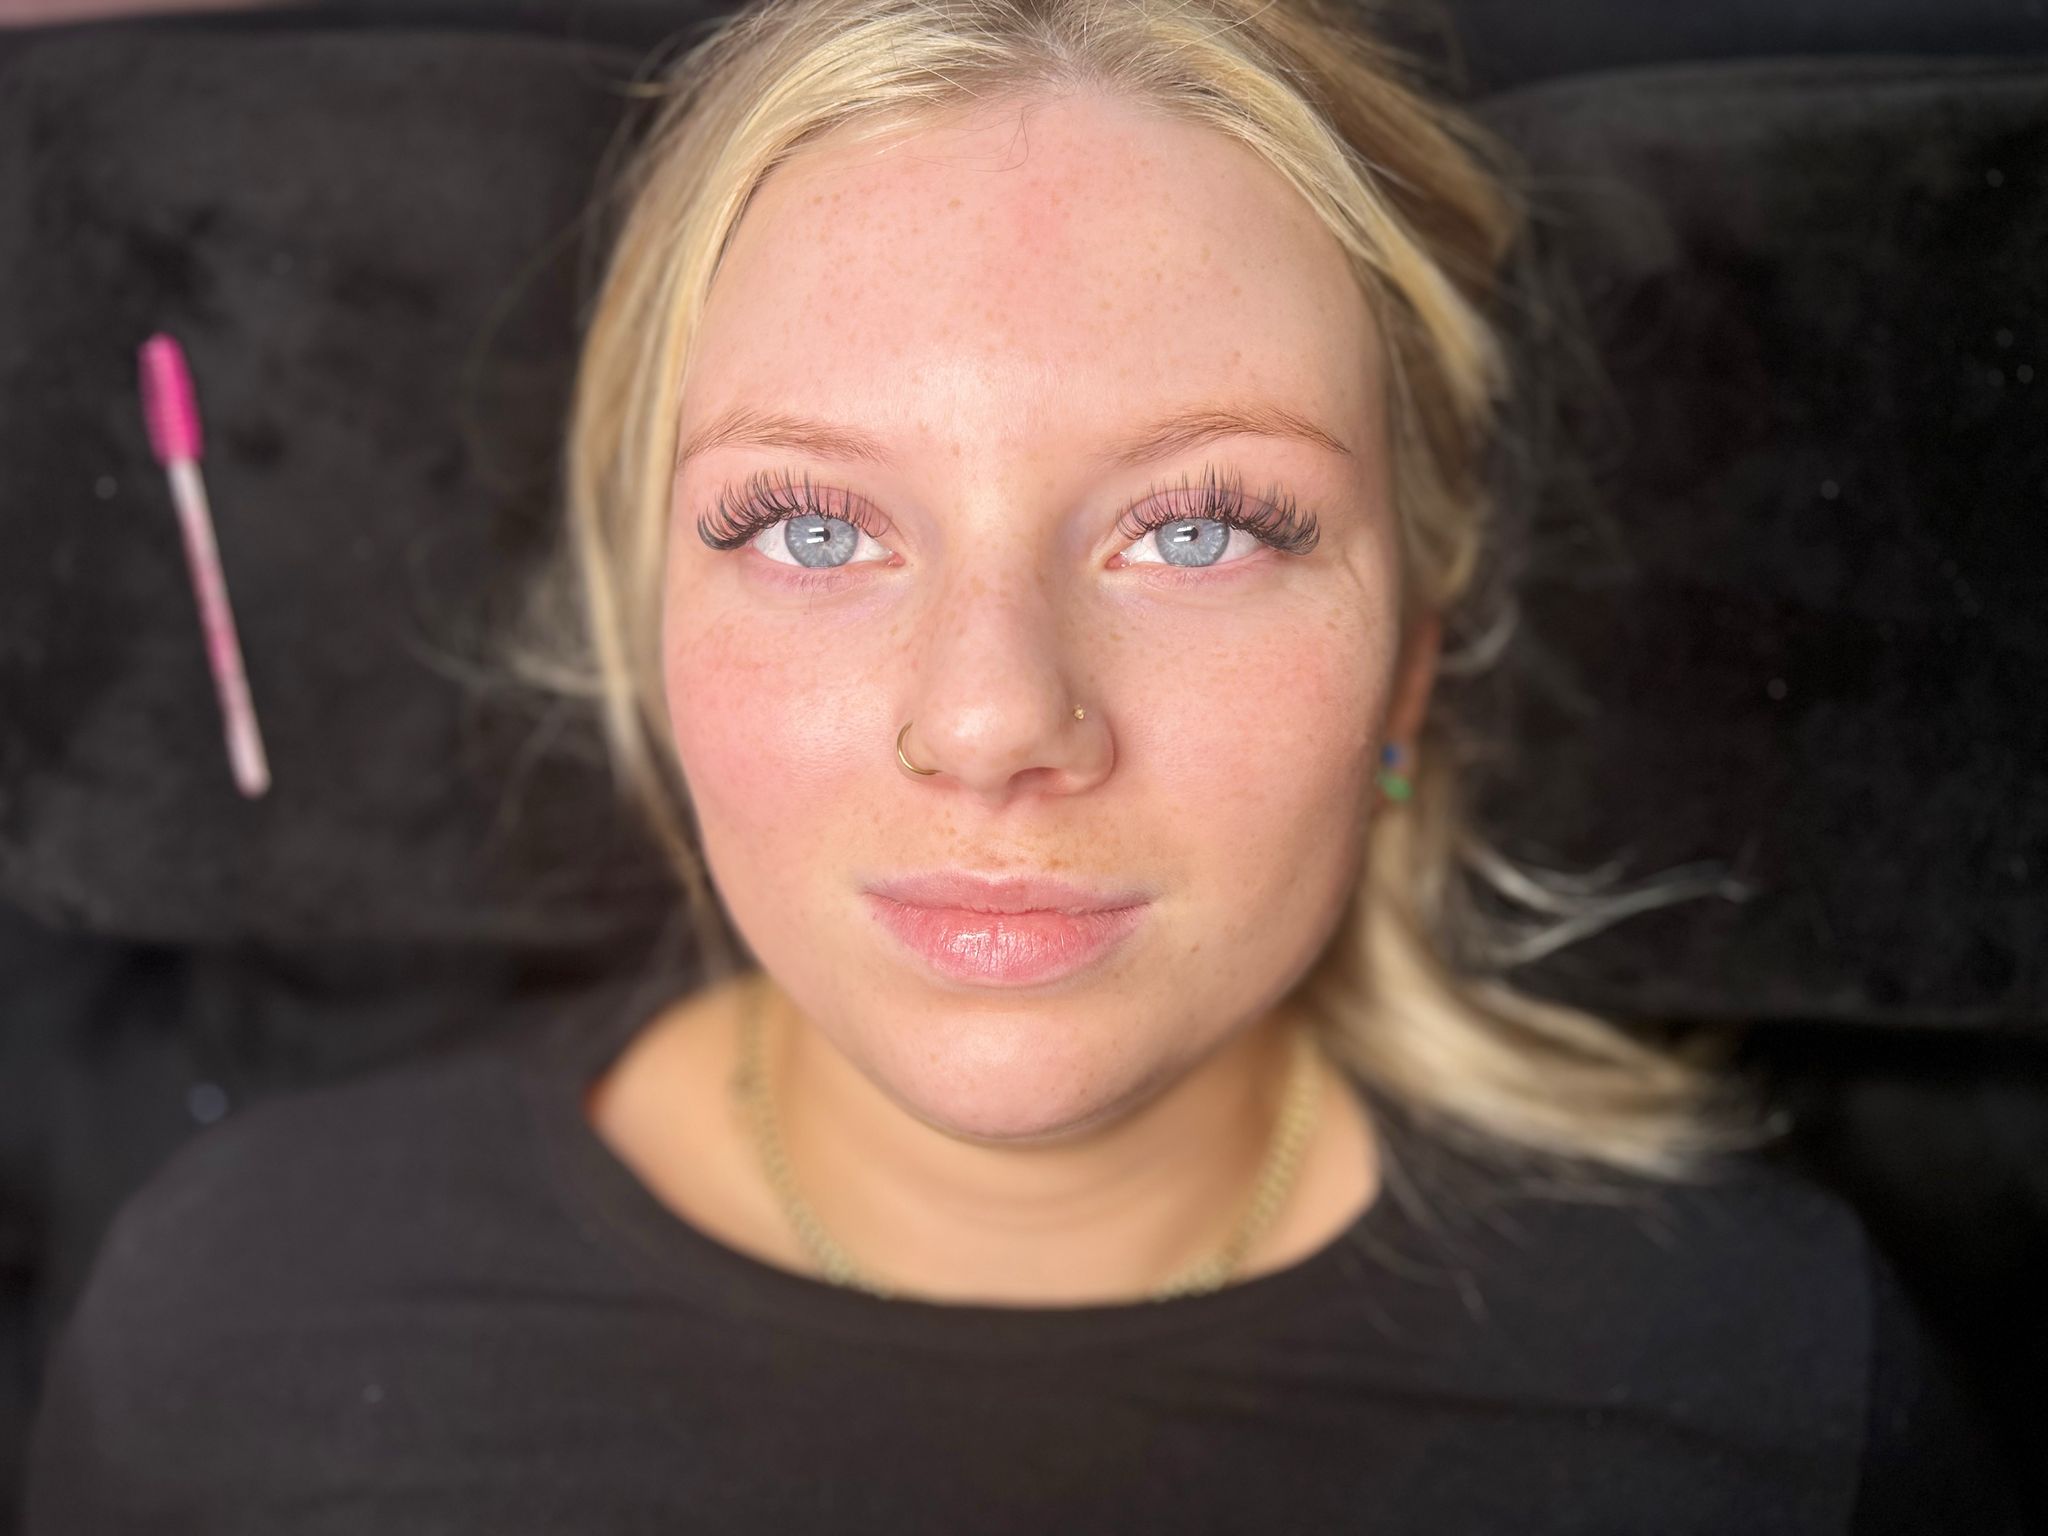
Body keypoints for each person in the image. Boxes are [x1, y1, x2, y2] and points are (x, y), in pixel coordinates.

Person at [22, 0, 2025, 1529]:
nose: (990, 722)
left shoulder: (1772, 1385)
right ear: (648, 621)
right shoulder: (236, 1327)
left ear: (1413, 650)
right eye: (813, 528)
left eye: (1201, 528)